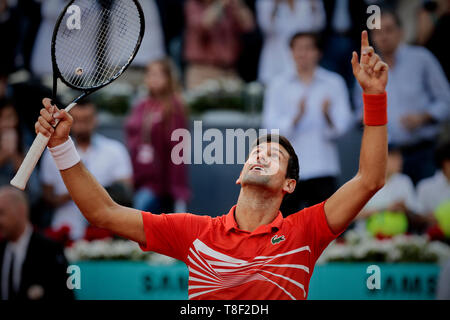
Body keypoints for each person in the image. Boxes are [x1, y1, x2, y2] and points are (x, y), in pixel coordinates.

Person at [33, 31, 389, 300]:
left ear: (289, 185)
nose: (262, 156)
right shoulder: (196, 233)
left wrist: (374, 98)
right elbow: (102, 212)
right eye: (256, 152)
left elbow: (370, 179)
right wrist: (61, 145)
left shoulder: (305, 232)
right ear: (239, 175)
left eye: (275, 156)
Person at [354, 10, 450, 185]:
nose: (383, 36)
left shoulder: (421, 59)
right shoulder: (366, 68)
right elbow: (358, 111)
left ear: (401, 31)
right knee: (393, 208)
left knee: (425, 207)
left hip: (423, 149)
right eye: (378, 32)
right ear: (372, 37)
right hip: (386, 155)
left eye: (389, 30)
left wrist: (424, 117)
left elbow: (446, 100)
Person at [262, 32, 353, 215]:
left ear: (318, 52)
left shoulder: (333, 83)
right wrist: (296, 117)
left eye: (308, 48)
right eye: (298, 49)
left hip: (323, 166)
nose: (303, 54)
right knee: (284, 227)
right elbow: (269, 128)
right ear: (291, 52)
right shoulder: (278, 84)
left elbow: (343, 127)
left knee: (324, 225)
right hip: (287, 169)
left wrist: (327, 115)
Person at [40, 99, 133, 240]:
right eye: (77, 120)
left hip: (106, 232)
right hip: (64, 230)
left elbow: (126, 191)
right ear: (69, 120)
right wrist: (80, 192)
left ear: (95, 119)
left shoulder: (115, 150)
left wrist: (87, 192)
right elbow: (47, 197)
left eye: (87, 120)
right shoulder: (52, 152)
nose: (82, 126)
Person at [125, 58, 190, 214]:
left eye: (158, 74)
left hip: (159, 184)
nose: (152, 79)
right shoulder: (141, 105)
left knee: (137, 212)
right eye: (150, 74)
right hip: (137, 176)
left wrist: (177, 190)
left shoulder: (174, 107)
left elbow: (178, 150)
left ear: (168, 78)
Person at [0, 186, 74, 300]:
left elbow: (65, 295)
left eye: (1, 213)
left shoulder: (50, 250)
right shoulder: (2, 250)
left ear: (21, 210)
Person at [184, 0, 255, 89]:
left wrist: (238, 5)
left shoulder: (229, 7)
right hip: (203, 71)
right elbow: (204, 25)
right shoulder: (194, 4)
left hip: (229, 72)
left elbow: (248, 26)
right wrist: (220, 4)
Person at [355, 145, 422, 236]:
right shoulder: (362, 181)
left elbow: (417, 216)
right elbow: (352, 216)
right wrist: (386, 209)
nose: (400, 162)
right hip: (366, 239)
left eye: (400, 158)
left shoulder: (404, 180)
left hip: (399, 239)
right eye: (395, 158)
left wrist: (405, 209)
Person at [256, 0, 326, 84]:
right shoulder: (266, 2)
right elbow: (266, 27)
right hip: (275, 56)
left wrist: (313, 5)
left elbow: (319, 25)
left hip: (304, 56)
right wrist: (275, 5)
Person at [416, 141, 450, 223]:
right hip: (432, 233)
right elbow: (418, 216)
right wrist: (427, 218)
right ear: (444, 163)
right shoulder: (425, 186)